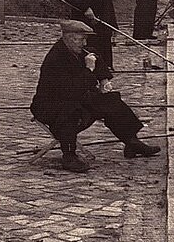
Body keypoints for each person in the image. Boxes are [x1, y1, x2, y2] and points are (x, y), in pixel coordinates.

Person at [30, 19, 161, 173]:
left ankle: (131, 141)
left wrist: (104, 80)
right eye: (80, 39)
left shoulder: (76, 51)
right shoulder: (56, 58)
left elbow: (95, 55)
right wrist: (89, 69)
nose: (84, 44)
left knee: (111, 101)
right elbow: (72, 90)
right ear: (67, 37)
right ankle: (69, 155)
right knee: (71, 111)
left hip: (74, 98)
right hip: (50, 106)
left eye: (85, 39)